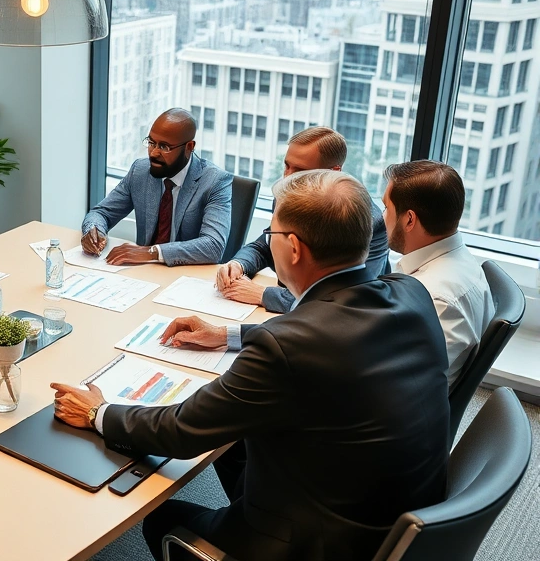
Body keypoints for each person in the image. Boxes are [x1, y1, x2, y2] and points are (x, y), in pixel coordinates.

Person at [52, 170, 450, 561]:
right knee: (238, 447)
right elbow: (325, 330)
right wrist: (226, 334)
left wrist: (96, 412)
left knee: (164, 517)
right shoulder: (411, 293)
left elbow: (181, 432)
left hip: (319, 543)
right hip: (399, 523)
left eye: (271, 234)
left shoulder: (287, 347)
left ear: (293, 248)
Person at [216, 127, 391, 313]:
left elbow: (347, 297)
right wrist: (238, 264)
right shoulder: (287, 195)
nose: (287, 177)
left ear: (334, 171)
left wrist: (261, 294)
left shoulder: (368, 220)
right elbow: (265, 245)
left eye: (299, 171)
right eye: (286, 166)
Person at [383, 160, 495, 388]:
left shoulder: (435, 299)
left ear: (409, 219)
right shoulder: (458, 260)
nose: (381, 218)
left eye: (387, 208)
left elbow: (401, 385)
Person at [80, 108, 232, 266]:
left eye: (164, 147)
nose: (153, 153)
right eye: (151, 143)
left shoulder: (215, 182)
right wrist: (94, 230)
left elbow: (213, 246)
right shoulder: (140, 171)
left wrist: (151, 252)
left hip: (186, 278)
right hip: (143, 274)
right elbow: (102, 213)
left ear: (189, 147)